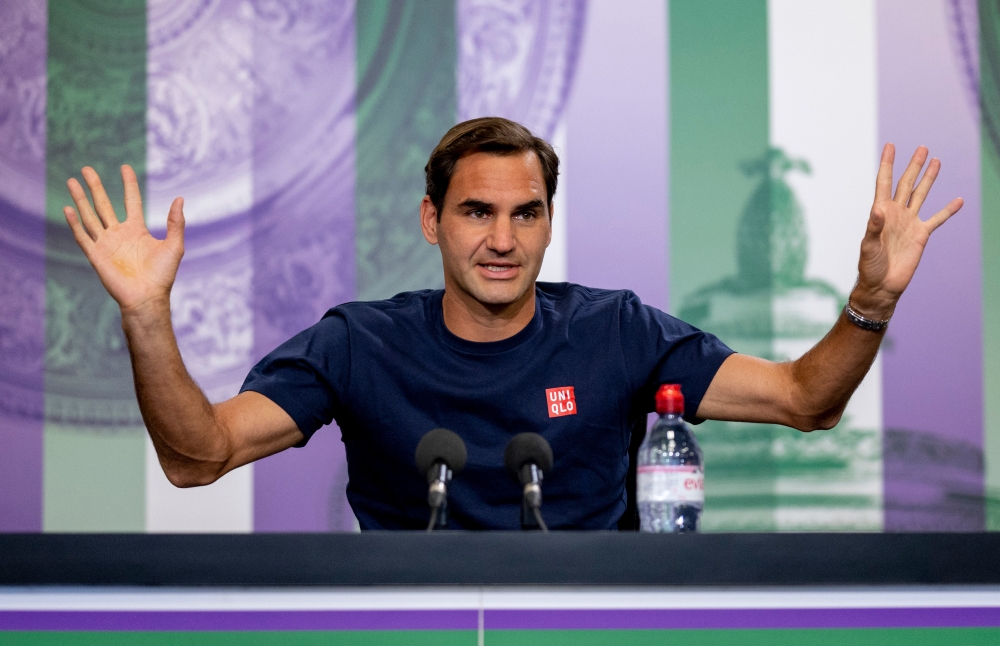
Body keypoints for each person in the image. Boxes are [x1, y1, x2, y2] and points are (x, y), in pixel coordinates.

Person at [63, 117, 963, 530]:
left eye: (525, 213)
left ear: (548, 222)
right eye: (476, 213)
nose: (502, 240)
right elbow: (199, 456)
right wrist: (147, 316)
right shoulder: (358, 344)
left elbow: (805, 399)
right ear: (432, 220)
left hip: (599, 628)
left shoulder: (615, 331)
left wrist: (872, 302)